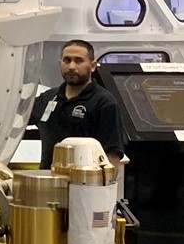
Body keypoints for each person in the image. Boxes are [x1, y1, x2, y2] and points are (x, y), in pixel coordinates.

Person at [30, 40, 124, 168]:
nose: (71, 67)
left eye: (79, 61)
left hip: (83, 185)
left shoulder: (104, 103)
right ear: (60, 64)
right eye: (67, 60)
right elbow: (15, 120)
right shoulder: (48, 98)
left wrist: (102, 185)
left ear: (93, 66)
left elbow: (112, 155)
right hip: (49, 181)